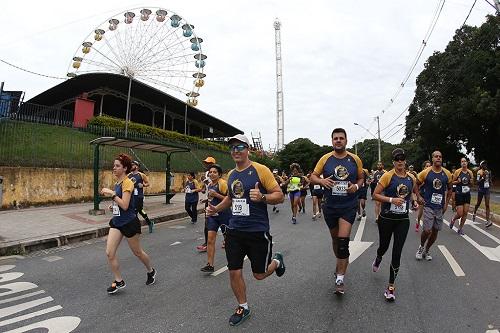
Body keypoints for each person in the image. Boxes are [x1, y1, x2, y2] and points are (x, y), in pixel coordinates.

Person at [206, 134, 285, 326]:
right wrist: (216, 208)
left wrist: (263, 197)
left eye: (239, 147)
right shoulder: (232, 175)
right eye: (232, 148)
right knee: (234, 272)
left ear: (248, 149)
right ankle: (243, 306)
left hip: (257, 231)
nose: (236, 151)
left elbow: (280, 195)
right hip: (235, 231)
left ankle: (277, 261)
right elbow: (231, 199)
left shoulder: (261, 170)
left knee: (259, 274)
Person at [310, 128, 363, 295]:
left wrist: (355, 186)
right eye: (335, 138)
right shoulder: (325, 159)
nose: (338, 141)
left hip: (348, 206)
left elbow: (362, 178)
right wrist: (321, 180)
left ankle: (340, 277)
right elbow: (312, 176)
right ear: (332, 141)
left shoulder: (355, 159)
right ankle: (340, 261)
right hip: (330, 206)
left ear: (346, 141)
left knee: (342, 241)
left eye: (341, 138)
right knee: (335, 239)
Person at [100, 153, 156, 294]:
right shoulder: (118, 182)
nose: (114, 168)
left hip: (130, 223)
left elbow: (125, 205)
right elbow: (121, 204)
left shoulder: (128, 183)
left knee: (138, 252)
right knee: (109, 253)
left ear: (125, 168)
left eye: (117, 166)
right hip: (117, 222)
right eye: (114, 165)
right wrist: (113, 206)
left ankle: (151, 270)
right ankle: (119, 281)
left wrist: (112, 194)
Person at [371, 148, 419, 301]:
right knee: (384, 247)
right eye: (397, 159)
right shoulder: (387, 176)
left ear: (405, 161)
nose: (400, 161)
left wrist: (415, 201)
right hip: (386, 219)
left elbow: (412, 192)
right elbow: (375, 195)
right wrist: (391, 200)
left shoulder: (411, 178)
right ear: (393, 161)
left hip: (402, 220)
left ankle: (391, 287)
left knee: (397, 252)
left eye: (402, 158)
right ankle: (379, 257)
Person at [415, 151, 452, 261]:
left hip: (439, 207)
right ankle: (421, 247)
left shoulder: (447, 174)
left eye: (440, 156)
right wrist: (418, 196)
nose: (438, 158)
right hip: (428, 205)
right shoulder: (425, 172)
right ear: (432, 159)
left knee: (435, 231)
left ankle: (427, 250)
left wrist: (446, 203)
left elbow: (450, 189)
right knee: (427, 230)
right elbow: (416, 184)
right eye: (436, 156)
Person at [201, 164, 230, 273]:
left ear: (219, 174)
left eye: (214, 172)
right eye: (210, 172)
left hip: (224, 215)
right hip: (213, 216)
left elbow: (229, 199)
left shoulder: (222, 184)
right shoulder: (209, 184)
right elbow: (211, 197)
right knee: (210, 240)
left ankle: (232, 261)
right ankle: (210, 264)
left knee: (228, 241)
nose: (212, 174)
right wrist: (206, 201)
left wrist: (216, 195)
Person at [197, 156, 217, 252]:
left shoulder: (217, 173)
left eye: (209, 164)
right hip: (209, 201)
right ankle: (206, 243)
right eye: (206, 163)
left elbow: (218, 184)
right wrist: (203, 190)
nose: (207, 165)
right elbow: (205, 189)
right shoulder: (206, 174)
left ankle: (227, 239)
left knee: (223, 222)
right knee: (207, 223)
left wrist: (208, 181)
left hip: (218, 201)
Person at [128, 160, 154, 233]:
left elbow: (148, 183)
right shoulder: (129, 175)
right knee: (140, 211)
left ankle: (136, 229)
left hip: (139, 196)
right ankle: (149, 223)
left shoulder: (141, 175)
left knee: (135, 212)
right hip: (131, 196)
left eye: (133, 165)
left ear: (137, 167)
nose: (131, 166)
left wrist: (143, 185)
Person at [450, 157, 474, 235]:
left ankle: (460, 228)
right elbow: (452, 182)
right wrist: (457, 181)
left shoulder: (470, 172)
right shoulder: (457, 172)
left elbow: (472, 184)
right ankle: (453, 219)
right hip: (459, 194)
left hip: (467, 194)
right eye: (462, 161)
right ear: (460, 163)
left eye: (465, 161)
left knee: (465, 213)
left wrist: (471, 182)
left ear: (467, 163)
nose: (464, 163)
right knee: (460, 213)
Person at [473, 160, 493, 228]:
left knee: (487, 205)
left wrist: (490, 182)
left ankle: (487, 221)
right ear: (481, 166)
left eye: (486, 164)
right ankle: (474, 212)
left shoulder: (488, 171)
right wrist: (482, 178)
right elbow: (477, 182)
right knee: (478, 203)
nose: (485, 165)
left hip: (487, 190)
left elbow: (490, 180)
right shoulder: (479, 172)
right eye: (483, 164)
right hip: (481, 189)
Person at [415, 160, 432, 232]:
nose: (428, 167)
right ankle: (418, 221)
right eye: (426, 166)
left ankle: (426, 228)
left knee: (428, 213)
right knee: (421, 212)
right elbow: (417, 186)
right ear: (424, 167)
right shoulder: (421, 175)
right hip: (422, 195)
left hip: (430, 196)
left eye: (429, 166)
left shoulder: (432, 175)